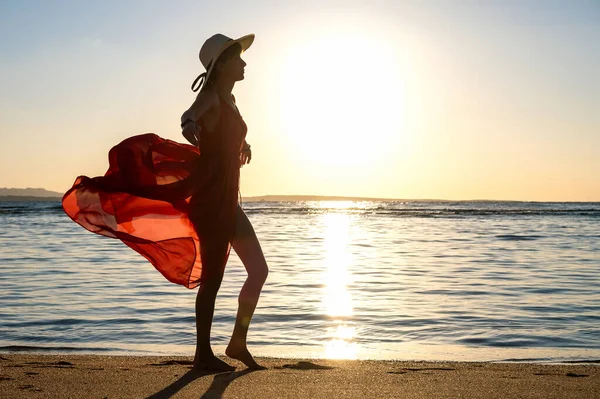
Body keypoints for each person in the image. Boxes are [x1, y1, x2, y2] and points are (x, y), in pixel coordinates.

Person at [61, 33, 268, 371]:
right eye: (238, 58)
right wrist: (189, 125)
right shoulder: (211, 97)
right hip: (209, 201)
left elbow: (230, 136)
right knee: (214, 280)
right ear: (224, 64)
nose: (244, 63)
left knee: (258, 271)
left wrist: (245, 146)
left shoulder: (230, 101)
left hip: (227, 200)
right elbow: (190, 114)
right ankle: (203, 354)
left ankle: (237, 342)